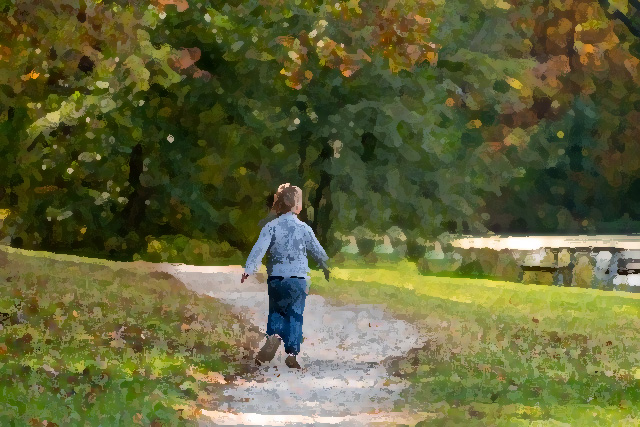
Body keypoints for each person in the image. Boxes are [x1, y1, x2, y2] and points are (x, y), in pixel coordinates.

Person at [241, 183, 330, 369]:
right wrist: (326, 267)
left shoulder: (271, 227)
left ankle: (274, 336)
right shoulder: (304, 228)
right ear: (298, 206)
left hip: (276, 278)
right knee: (295, 315)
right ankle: (292, 354)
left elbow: (259, 249)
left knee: (276, 310)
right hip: (298, 280)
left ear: (278, 205)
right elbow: (317, 250)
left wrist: (249, 269)